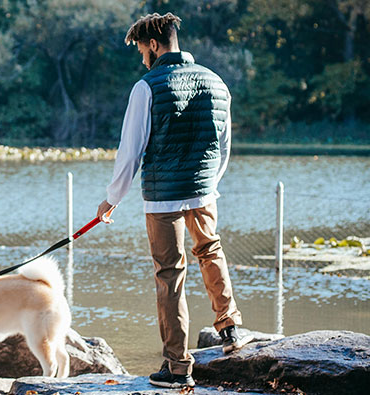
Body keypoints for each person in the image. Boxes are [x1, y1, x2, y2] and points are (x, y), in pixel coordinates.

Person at [96, 12, 251, 389]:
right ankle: (230, 330)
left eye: (140, 49)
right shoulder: (216, 82)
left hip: (163, 197)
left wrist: (111, 199)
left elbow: (130, 152)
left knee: (169, 275)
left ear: (153, 44)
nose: (140, 58)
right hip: (203, 190)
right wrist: (208, 184)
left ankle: (178, 366)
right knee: (210, 250)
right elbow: (224, 146)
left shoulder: (146, 87)